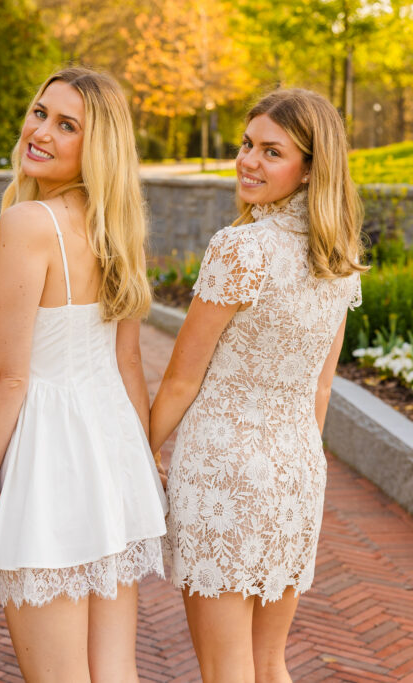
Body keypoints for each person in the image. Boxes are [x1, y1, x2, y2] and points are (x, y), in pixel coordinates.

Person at [149, 88, 365, 681]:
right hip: (297, 471)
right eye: (247, 144)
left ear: (309, 168)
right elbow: (321, 388)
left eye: (272, 151)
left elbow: (180, 379)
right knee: (270, 663)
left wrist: (138, 452)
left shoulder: (240, 249)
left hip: (222, 471)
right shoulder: (337, 257)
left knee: (227, 669)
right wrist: (297, 462)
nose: (248, 160)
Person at [0, 66, 167, 681]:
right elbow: (128, 363)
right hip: (110, 446)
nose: (41, 132)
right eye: (39, 113)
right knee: (113, 671)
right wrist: (142, 462)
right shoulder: (121, 228)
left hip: (49, 454)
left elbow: (6, 375)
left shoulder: (30, 224)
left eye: (66, 125)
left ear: (97, 146)